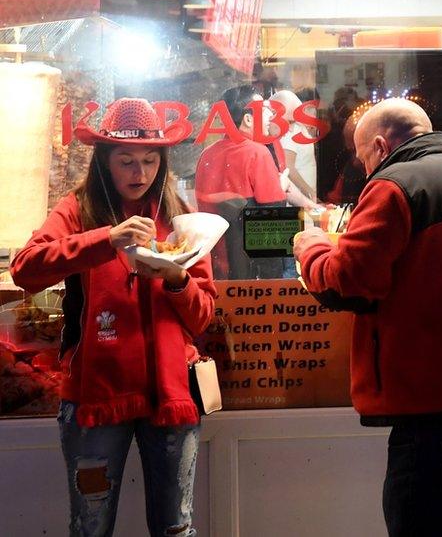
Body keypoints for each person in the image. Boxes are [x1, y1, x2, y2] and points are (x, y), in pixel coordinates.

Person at [293, 99, 442, 535]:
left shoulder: (394, 185)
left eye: (363, 156)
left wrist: (310, 246)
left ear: (381, 146)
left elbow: (346, 281)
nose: (364, 169)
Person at [10, 98, 216, 536]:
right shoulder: (78, 208)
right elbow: (25, 268)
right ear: (104, 161)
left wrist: (177, 278)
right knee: (91, 526)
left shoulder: (181, 216)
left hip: (173, 394)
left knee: (176, 529)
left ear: (162, 162)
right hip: (94, 397)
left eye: (149, 160)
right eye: (126, 161)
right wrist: (106, 238)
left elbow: (202, 318)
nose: (139, 174)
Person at [195, 85, 312, 279]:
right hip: (250, 275)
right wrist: (280, 188)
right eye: (265, 111)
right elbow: (272, 229)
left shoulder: (207, 154)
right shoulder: (257, 152)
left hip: (214, 267)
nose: (270, 117)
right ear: (248, 119)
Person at [270, 89, 319, 200]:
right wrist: (310, 195)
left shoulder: (295, 131)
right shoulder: (289, 135)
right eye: (290, 121)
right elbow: (288, 168)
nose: (291, 129)